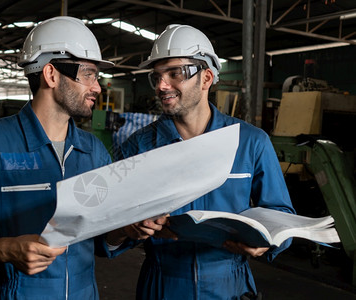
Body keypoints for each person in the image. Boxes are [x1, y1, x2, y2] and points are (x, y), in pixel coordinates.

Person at [0, 16, 114, 299]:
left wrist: (128, 229)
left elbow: (104, 234)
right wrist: (5, 249)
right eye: (88, 74)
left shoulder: (94, 150)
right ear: (51, 75)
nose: (97, 87)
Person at [105, 24, 296, 300]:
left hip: (230, 284)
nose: (161, 85)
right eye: (156, 76)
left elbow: (282, 217)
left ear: (206, 77)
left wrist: (267, 243)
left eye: (174, 73)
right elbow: (107, 232)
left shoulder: (251, 142)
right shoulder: (138, 147)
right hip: (162, 284)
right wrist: (127, 228)